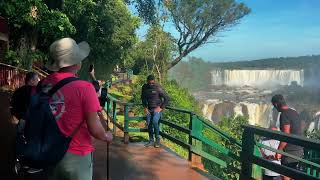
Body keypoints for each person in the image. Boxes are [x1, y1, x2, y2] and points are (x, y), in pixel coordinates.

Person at [42, 37, 112, 180]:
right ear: (76, 61)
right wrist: (106, 136)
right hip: (76, 155)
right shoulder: (84, 88)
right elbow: (95, 129)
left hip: (48, 151)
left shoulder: (42, 84)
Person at [271, 94, 304, 180]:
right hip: (299, 150)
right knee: (294, 174)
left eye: (274, 106)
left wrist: (279, 151)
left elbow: (286, 135)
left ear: (276, 104)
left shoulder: (284, 115)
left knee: (285, 175)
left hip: (290, 152)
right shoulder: (294, 112)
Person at [141, 75, 170, 148]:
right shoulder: (144, 87)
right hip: (149, 109)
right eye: (149, 83)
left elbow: (167, 98)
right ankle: (151, 140)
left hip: (157, 109)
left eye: (152, 83)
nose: (151, 84)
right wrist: (145, 107)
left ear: (154, 81)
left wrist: (160, 107)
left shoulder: (158, 87)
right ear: (147, 81)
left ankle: (157, 139)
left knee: (154, 121)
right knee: (149, 124)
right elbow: (143, 98)